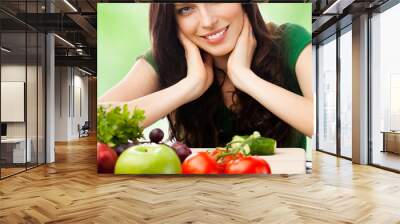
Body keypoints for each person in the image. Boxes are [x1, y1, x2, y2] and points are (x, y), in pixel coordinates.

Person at [99, 3, 313, 149]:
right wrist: (189, 86)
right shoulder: (166, 59)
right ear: (172, 21)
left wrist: (245, 78)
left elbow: (328, 126)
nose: (208, 21)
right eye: (185, 9)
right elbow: (98, 121)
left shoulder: (289, 41)